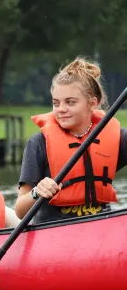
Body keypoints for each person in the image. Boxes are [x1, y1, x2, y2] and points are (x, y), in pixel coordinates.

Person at [15, 56, 127, 224]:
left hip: (102, 230)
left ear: (92, 104)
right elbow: (20, 211)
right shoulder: (38, 143)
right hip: (54, 233)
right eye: (56, 103)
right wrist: (36, 192)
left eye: (70, 102)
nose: (61, 110)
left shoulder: (118, 138)